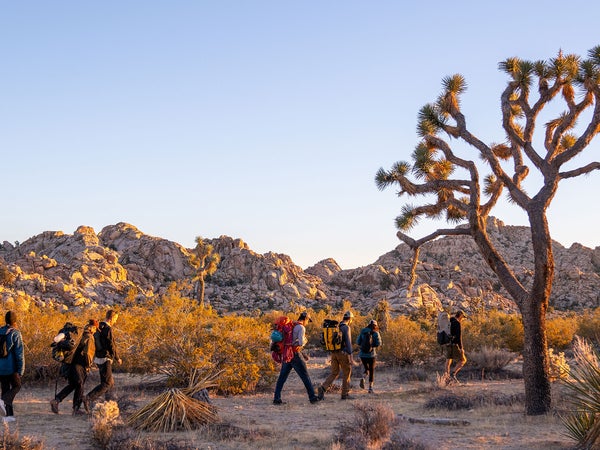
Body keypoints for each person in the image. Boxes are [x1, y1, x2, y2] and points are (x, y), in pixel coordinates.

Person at [51, 319, 98, 415]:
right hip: (79, 365)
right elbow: (88, 354)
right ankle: (76, 408)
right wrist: (88, 365)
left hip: (70, 364)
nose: (95, 331)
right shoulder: (89, 336)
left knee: (73, 385)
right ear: (93, 328)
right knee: (80, 384)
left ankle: (56, 401)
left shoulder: (79, 334)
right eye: (96, 329)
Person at [273, 312, 320, 405]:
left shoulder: (291, 324)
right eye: (308, 321)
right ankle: (312, 397)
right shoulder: (301, 327)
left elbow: (289, 341)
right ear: (305, 319)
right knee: (305, 376)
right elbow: (301, 342)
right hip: (295, 355)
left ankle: (276, 398)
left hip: (287, 354)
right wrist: (306, 340)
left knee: (282, 377)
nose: (307, 323)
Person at [83, 310, 121, 412]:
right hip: (105, 358)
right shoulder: (108, 328)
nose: (116, 321)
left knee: (110, 383)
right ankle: (88, 398)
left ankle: (110, 404)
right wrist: (117, 357)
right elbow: (111, 344)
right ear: (112, 318)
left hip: (98, 358)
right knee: (107, 383)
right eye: (116, 319)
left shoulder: (99, 326)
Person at [318, 310, 354, 400]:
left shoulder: (337, 327)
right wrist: (351, 355)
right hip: (343, 353)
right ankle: (345, 394)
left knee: (334, 372)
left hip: (333, 353)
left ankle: (323, 388)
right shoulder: (346, 327)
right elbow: (348, 343)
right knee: (347, 372)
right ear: (350, 319)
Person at [0, 311, 24, 422]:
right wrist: (21, 370)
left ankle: (8, 416)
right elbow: (19, 354)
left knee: (5, 388)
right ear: (15, 320)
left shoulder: (0, 331)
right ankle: (3, 400)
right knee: (17, 386)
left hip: (0, 368)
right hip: (11, 368)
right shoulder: (15, 333)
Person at [356, 319, 382, 393]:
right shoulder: (376, 333)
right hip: (371, 355)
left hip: (362, 355)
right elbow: (379, 343)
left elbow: (358, 342)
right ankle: (370, 388)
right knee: (371, 371)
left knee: (366, 368)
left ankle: (363, 378)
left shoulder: (363, 331)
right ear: (375, 325)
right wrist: (372, 345)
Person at [445, 310, 468, 384]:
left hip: (447, 344)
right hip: (455, 344)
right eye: (463, 317)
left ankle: (447, 378)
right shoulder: (457, 323)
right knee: (463, 360)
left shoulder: (448, 322)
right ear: (460, 315)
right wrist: (461, 348)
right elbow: (459, 337)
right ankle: (453, 374)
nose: (462, 319)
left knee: (448, 361)